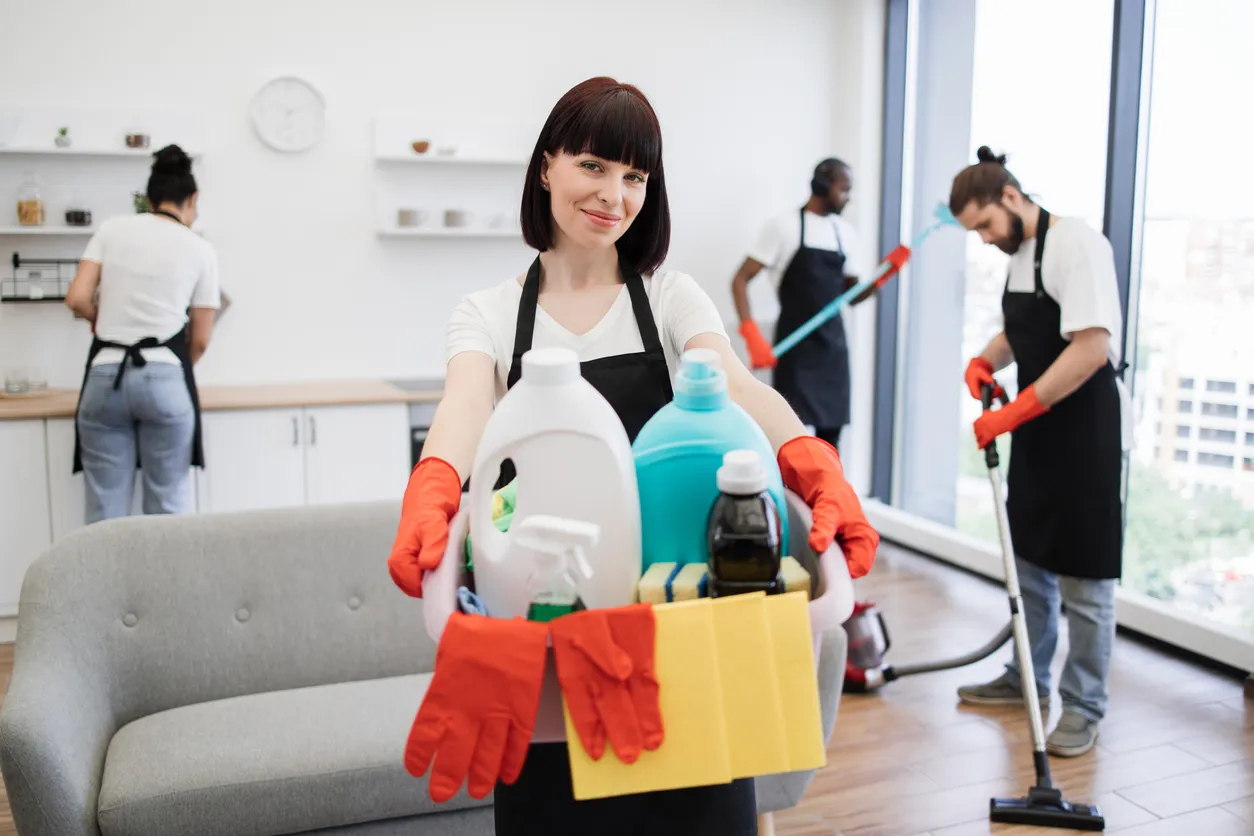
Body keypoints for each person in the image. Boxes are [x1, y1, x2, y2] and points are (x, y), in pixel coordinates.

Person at [386, 76, 880, 836]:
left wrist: (812, 465)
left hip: (676, 621)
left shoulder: (670, 297)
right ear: (546, 166)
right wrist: (435, 485)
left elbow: (736, 385)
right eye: (593, 165)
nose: (613, 196)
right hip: (550, 626)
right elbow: (466, 406)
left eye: (635, 176)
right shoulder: (489, 313)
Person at [951, 146, 1127, 758]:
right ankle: (1025, 676)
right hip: (1039, 429)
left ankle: (1083, 705)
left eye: (984, 225)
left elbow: (1090, 347)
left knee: (1085, 575)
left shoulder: (1077, 243)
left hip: (1084, 431)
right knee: (1029, 561)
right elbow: (1024, 329)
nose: (984, 239)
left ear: (1011, 197)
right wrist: (985, 359)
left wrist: (1012, 412)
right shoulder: (1021, 251)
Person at [64, 144, 220, 523]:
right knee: (166, 512)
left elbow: (77, 298)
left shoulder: (111, 230)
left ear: (148, 199)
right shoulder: (200, 249)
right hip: (165, 378)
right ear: (192, 199)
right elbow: (200, 340)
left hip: (105, 375)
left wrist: (99, 319)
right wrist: (171, 366)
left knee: (104, 516)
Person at [730, 157, 875, 451]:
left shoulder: (845, 233)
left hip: (833, 350)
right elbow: (740, 279)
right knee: (791, 439)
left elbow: (852, 296)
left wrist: (881, 280)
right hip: (795, 351)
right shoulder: (783, 226)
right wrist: (751, 333)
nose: (847, 197)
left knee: (830, 442)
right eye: (843, 189)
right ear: (822, 184)